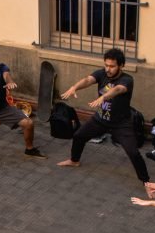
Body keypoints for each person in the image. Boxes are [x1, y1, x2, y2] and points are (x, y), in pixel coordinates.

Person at [57, 48, 150, 190]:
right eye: (106, 65)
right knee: (78, 136)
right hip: (100, 119)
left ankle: (147, 182)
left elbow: (118, 89)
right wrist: (75, 87)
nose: (108, 69)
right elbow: (88, 80)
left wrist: (103, 97)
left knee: (133, 152)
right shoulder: (101, 73)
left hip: (121, 124)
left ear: (121, 65)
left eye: (112, 66)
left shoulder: (127, 79)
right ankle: (74, 160)